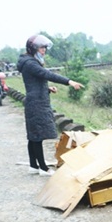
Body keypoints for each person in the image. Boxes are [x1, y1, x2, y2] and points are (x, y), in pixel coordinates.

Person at [17, 34, 84, 176]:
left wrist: (47, 89)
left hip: (35, 100)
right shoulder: (30, 63)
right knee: (37, 136)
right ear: (34, 48)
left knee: (33, 135)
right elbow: (47, 74)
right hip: (37, 103)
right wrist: (69, 82)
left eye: (45, 48)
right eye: (42, 47)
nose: (44, 50)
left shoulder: (29, 62)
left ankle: (34, 166)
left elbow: (33, 82)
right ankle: (43, 168)